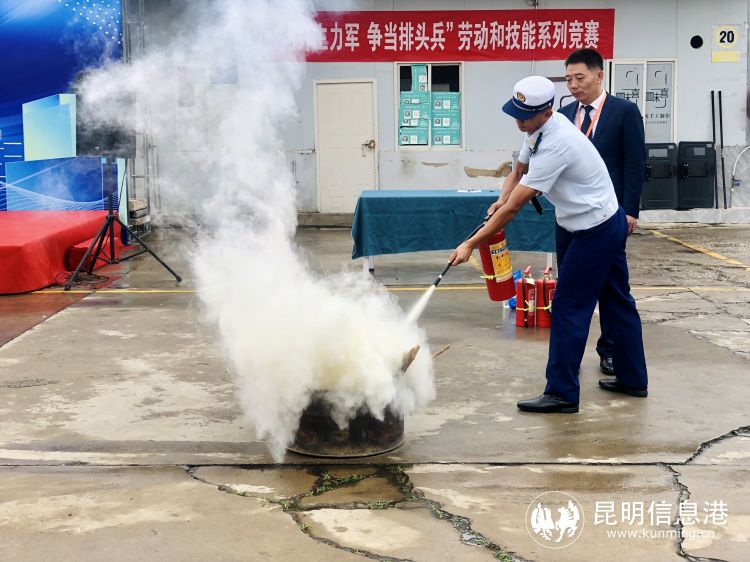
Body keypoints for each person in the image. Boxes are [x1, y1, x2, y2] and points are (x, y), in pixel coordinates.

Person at [450, 75, 648, 413]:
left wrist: (469, 243)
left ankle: (562, 393)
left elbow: (515, 207)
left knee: (569, 307)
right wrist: (500, 199)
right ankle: (633, 379)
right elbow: (517, 172)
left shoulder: (558, 143)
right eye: (516, 114)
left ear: (546, 112)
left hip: (595, 230)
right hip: (598, 220)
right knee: (618, 302)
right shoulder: (536, 130)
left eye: (524, 117)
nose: (518, 122)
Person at [559, 48, 646, 377]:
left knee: (612, 288)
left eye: (579, 78)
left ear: (599, 75)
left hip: (609, 217)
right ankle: (569, 357)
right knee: (570, 289)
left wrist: (630, 210)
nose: (573, 85)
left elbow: (635, 164)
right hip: (571, 219)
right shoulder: (563, 116)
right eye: (568, 79)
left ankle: (610, 351)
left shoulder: (624, 112)